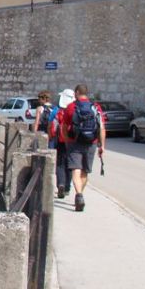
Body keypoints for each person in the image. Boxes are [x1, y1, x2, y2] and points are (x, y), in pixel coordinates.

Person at [61, 84, 106, 212]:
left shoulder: (71, 107)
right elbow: (101, 128)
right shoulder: (95, 107)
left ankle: (78, 194)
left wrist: (66, 140)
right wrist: (102, 146)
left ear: (76, 93)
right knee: (85, 171)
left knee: (76, 169)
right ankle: (80, 194)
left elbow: (63, 127)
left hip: (74, 142)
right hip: (91, 143)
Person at [52, 88, 75, 198]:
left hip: (61, 141)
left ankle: (60, 184)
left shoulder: (58, 111)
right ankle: (67, 188)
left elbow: (53, 127)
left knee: (60, 164)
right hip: (72, 142)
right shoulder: (75, 110)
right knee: (69, 166)